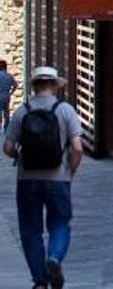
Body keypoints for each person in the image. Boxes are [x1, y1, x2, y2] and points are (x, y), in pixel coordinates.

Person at [3, 66, 84, 289]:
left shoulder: (22, 111)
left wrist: (20, 156)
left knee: (30, 230)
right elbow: (77, 148)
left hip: (27, 180)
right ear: (55, 86)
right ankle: (55, 257)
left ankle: (40, 281)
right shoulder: (65, 110)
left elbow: (8, 147)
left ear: (34, 86)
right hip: (58, 179)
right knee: (60, 224)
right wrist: (71, 172)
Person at [0, 59, 16, 129]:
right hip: (6, 95)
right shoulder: (9, 76)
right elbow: (15, 85)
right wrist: (11, 92)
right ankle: (6, 127)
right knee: (6, 112)